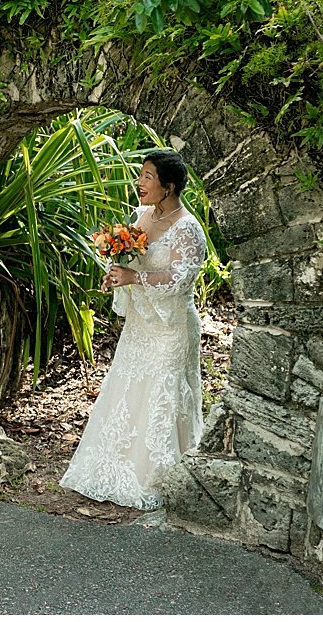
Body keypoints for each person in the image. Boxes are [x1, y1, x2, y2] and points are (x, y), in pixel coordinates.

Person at [60, 149, 209, 510]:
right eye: (140, 175)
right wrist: (117, 272)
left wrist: (134, 277)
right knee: (128, 387)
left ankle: (156, 474)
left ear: (168, 187)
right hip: (142, 325)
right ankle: (111, 465)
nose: (139, 183)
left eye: (147, 177)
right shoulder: (141, 216)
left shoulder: (188, 229)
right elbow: (129, 260)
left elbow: (177, 279)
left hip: (171, 327)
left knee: (162, 391)